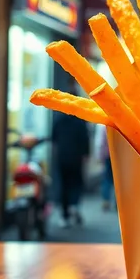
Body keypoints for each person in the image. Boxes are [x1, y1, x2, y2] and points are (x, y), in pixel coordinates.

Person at [52, 84, 90, 228]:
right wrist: (86, 154)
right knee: (76, 182)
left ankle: (64, 215)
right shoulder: (79, 119)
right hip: (76, 157)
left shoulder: (59, 118)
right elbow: (85, 138)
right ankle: (74, 205)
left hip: (62, 156)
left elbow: (54, 139)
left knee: (63, 184)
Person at [100, 126, 115, 211]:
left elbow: (102, 142)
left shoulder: (105, 127)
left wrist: (101, 156)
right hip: (118, 156)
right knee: (119, 180)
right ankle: (118, 203)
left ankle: (106, 200)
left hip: (108, 155)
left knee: (107, 179)